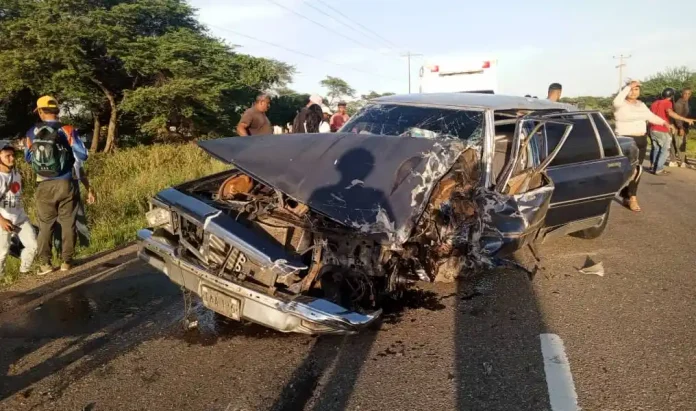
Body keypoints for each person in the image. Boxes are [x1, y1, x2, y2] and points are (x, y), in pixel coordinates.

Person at [25, 95, 89, 274]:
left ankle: (45, 264)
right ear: (57, 110)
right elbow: (83, 155)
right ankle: (66, 261)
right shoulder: (67, 129)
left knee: (45, 224)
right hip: (66, 181)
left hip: (43, 184)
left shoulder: (31, 132)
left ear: (39, 111)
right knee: (68, 222)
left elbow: (28, 158)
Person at [613, 81, 671, 212]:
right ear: (626, 91)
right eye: (631, 90)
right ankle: (621, 193)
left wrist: (664, 123)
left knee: (637, 170)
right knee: (627, 171)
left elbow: (650, 116)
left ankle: (631, 197)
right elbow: (616, 101)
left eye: (636, 89)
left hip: (641, 139)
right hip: (626, 140)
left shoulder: (641, 104)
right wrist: (629, 86)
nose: (634, 92)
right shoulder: (620, 104)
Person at [0, 141, 37, 279]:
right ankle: (2, 281)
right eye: (7, 156)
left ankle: (24, 272)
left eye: (13, 155)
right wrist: (2, 220)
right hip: (4, 221)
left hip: (20, 218)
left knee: (33, 245)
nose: (12, 158)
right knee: (2, 253)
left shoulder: (16, 174)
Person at [52, 159, 95, 256]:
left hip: (74, 193)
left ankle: (86, 248)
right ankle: (59, 252)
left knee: (81, 222)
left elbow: (82, 173)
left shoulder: (76, 155)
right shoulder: (54, 154)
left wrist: (89, 190)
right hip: (58, 195)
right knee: (59, 224)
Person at [649, 88, 695, 175]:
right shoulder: (668, 103)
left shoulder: (654, 103)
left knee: (656, 149)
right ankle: (659, 169)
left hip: (652, 129)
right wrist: (685, 119)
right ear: (672, 96)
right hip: (662, 129)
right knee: (665, 150)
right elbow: (671, 114)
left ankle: (653, 167)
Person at [673, 87, 692, 163]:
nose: (687, 95)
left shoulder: (686, 101)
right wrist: (680, 128)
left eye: (689, 94)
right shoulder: (679, 103)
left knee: (681, 142)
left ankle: (676, 159)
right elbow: (677, 117)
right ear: (682, 94)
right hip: (679, 126)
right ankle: (682, 161)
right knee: (679, 143)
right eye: (685, 93)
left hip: (685, 125)